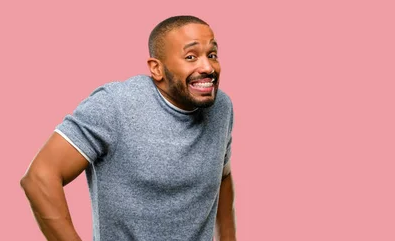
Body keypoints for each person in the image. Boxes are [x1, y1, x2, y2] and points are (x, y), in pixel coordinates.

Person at [20, 15, 237, 241]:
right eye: (191, 57)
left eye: (212, 55)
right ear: (157, 69)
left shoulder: (221, 107)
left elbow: (223, 177)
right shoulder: (115, 105)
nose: (208, 67)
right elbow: (39, 178)